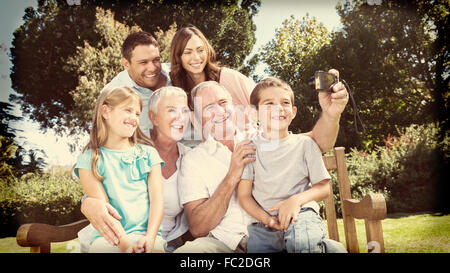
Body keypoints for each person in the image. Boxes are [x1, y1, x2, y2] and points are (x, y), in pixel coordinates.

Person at [174, 75, 348, 253]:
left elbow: (317, 141)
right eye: (209, 107)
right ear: (196, 118)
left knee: (336, 250)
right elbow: (198, 228)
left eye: (223, 102)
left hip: (287, 230)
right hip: (228, 242)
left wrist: (331, 114)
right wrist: (231, 176)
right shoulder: (193, 160)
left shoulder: (264, 135)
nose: (219, 111)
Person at [237, 78, 347, 253]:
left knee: (303, 246)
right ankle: (330, 249)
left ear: (293, 111)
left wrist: (295, 201)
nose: (279, 108)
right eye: (269, 103)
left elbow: (324, 187)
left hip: (301, 216)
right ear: (254, 114)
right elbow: (243, 196)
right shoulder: (249, 149)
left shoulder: (305, 144)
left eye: (285, 102)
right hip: (265, 226)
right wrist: (268, 220)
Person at [74, 86, 165, 253]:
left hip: (148, 236)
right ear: (106, 112)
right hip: (109, 238)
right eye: (128, 110)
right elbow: (104, 210)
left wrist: (150, 238)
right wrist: (124, 243)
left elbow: (157, 201)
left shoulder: (149, 154)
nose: (134, 118)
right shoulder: (89, 160)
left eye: (137, 113)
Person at [147, 86, 194, 252]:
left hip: (169, 246)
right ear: (154, 118)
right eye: (171, 110)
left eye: (185, 110)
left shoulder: (190, 158)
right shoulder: (134, 151)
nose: (180, 117)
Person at [102, 31, 171, 137]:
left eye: (156, 60)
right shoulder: (112, 93)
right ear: (126, 64)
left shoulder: (176, 73)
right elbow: (103, 138)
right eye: (143, 62)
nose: (152, 68)